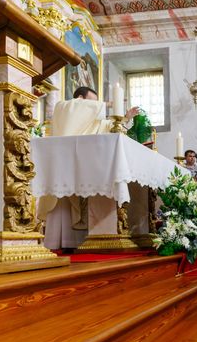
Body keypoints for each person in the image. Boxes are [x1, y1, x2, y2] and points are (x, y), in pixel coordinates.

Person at [39, 86, 138, 249]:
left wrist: (125, 118)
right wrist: (108, 103)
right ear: (79, 99)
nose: (96, 106)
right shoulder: (65, 107)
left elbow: (107, 127)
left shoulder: (90, 122)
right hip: (64, 162)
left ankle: (76, 242)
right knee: (63, 203)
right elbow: (79, 110)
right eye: (92, 102)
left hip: (83, 163)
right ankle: (57, 242)